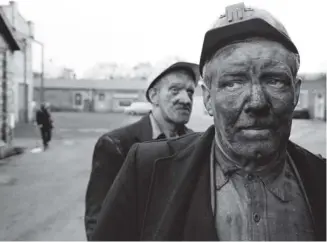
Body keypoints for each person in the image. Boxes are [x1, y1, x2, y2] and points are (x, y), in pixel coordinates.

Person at [92, 3, 326, 241]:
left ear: (296, 93)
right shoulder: (147, 171)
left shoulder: (321, 179)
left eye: (274, 80)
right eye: (233, 83)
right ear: (207, 98)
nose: (257, 102)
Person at [84, 62, 200, 240]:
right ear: (154, 96)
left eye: (190, 92)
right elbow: (98, 220)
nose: (185, 99)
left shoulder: (196, 144)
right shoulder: (116, 145)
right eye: (175, 90)